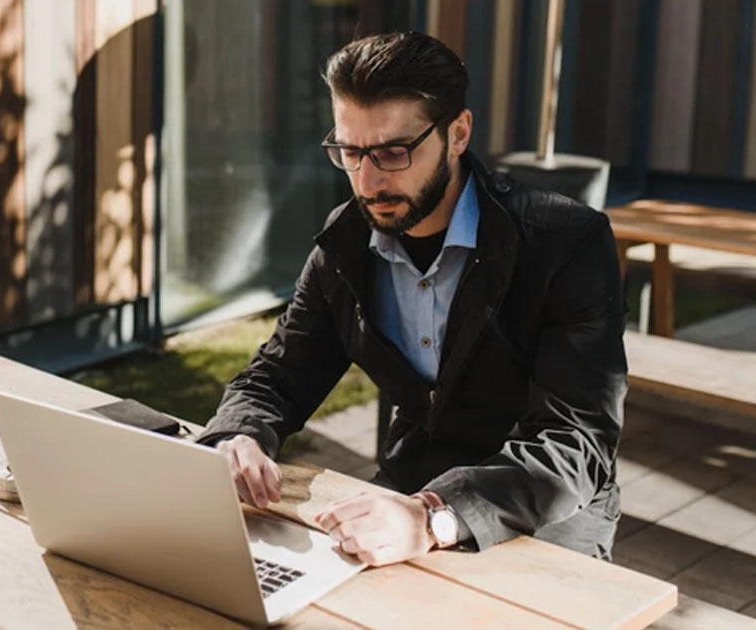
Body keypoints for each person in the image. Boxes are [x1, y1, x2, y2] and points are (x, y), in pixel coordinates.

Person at [196, 31, 627, 565]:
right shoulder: (348, 239)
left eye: (395, 152)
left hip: (550, 509)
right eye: (351, 152)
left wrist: (433, 517)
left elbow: (576, 441)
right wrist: (238, 436)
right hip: (411, 485)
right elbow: (280, 372)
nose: (369, 181)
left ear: (458, 133)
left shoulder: (565, 243)